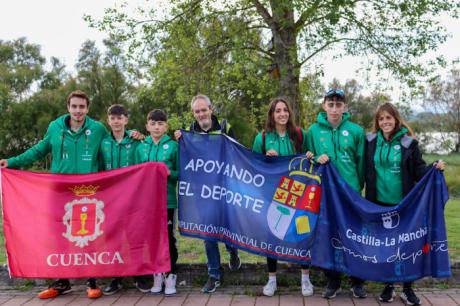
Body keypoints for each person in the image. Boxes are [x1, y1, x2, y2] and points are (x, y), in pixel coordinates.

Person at [0, 90, 108, 299]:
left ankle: (92, 281)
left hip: (88, 192)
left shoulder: (97, 129)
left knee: (89, 235)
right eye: (74, 106)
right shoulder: (55, 127)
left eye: (82, 107)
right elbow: (39, 150)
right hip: (59, 191)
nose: (78, 111)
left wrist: (134, 137)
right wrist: (11, 162)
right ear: (68, 107)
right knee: (60, 236)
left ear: (87, 108)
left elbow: (110, 149)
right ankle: (61, 282)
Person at [365, 102, 445, 306]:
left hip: (405, 205)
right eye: (381, 118)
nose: (385, 122)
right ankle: (389, 286)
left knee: (407, 247)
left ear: (396, 119)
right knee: (385, 248)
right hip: (379, 205)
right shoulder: (371, 141)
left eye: (388, 118)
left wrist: (435, 168)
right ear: (377, 122)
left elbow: (419, 170)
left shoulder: (409, 143)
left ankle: (408, 289)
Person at [175, 94, 241, 293]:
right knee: (208, 233)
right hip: (202, 191)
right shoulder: (188, 134)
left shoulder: (226, 128)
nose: (201, 114)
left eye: (204, 110)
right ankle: (214, 274)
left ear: (211, 109)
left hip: (224, 189)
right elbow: (184, 159)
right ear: (193, 114)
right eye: (197, 111)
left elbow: (237, 154)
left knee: (227, 227)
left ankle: (232, 250)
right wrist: (179, 140)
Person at [306, 88, 367, 299]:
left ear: (345, 107)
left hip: (351, 194)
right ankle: (333, 281)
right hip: (326, 194)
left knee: (354, 237)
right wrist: (315, 158)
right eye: (330, 104)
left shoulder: (357, 131)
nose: (334, 108)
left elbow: (361, 164)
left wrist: (356, 188)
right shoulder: (313, 131)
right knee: (328, 236)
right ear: (324, 106)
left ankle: (357, 281)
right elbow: (308, 158)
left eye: (338, 104)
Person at [252, 97, 314, 297]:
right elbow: (254, 166)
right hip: (273, 195)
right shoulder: (262, 138)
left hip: (299, 193)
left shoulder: (299, 134)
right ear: (272, 114)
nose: (282, 114)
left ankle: (305, 278)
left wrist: (310, 156)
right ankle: (271, 280)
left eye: (285, 110)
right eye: (277, 111)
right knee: (272, 235)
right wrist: (265, 160)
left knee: (303, 232)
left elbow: (311, 159)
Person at [99, 104, 151, 295]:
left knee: (134, 236)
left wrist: (143, 137)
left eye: (120, 118)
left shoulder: (136, 141)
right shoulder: (104, 142)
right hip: (111, 198)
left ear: (126, 120)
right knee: (114, 237)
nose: (116, 121)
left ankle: (138, 274)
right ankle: (116, 277)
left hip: (133, 196)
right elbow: (99, 168)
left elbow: (147, 156)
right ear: (108, 121)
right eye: (113, 118)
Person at [136, 109, 179, 295]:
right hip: (147, 203)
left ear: (166, 126)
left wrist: (171, 174)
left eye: (160, 124)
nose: (156, 127)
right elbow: (135, 173)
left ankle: (170, 275)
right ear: (147, 126)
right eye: (153, 123)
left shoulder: (174, 146)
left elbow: (181, 173)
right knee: (152, 239)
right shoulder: (140, 147)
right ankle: (157, 273)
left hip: (167, 201)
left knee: (168, 238)